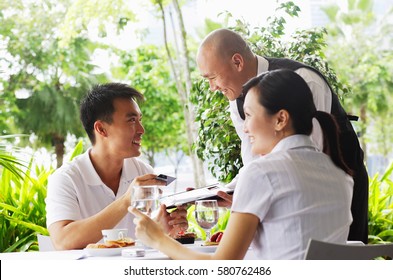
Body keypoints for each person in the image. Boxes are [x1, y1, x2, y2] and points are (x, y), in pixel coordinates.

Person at [130, 69, 354, 259]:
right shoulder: (340, 175)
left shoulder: (261, 172)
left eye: (248, 115)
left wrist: (158, 239)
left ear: (280, 119)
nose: (245, 128)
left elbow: (224, 268)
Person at [196, 28, 368, 243]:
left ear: (237, 62)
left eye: (212, 77)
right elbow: (253, 158)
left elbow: (308, 159)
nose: (212, 87)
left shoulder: (303, 80)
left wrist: (254, 196)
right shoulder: (237, 98)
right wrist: (231, 193)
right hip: (297, 199)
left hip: (338, 194)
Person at [45, 83, 188, 250]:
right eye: (131, 120)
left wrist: (165, 229)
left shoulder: (143, 172)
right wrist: (126, 200)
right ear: (101, 129)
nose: (141, 130)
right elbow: (63, 241)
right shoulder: (65, 179)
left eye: (139, 120)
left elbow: (145, 241)